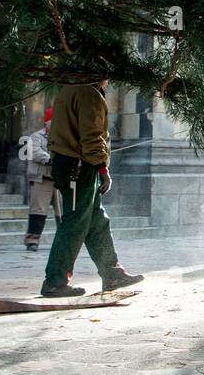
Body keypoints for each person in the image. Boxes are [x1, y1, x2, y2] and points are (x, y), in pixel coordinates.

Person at [40, 80, 144, 297]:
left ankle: (112, 273)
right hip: (79, 166)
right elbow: (92, 134)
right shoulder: (89, 93)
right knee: (75, 222)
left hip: (73, 164)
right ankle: (54, 281)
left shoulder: (70, 87)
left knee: (96, 220)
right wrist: (102, 167)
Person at [21, 107, 59, 252]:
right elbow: (35, 152)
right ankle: (32, 240)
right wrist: (51, 159)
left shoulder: (66, 137)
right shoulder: (36, 137)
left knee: (63, 213)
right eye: (53, 121)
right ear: (47, 122)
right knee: (38, 211)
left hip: (61, 180)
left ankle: (65, 241)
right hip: (42, 179)